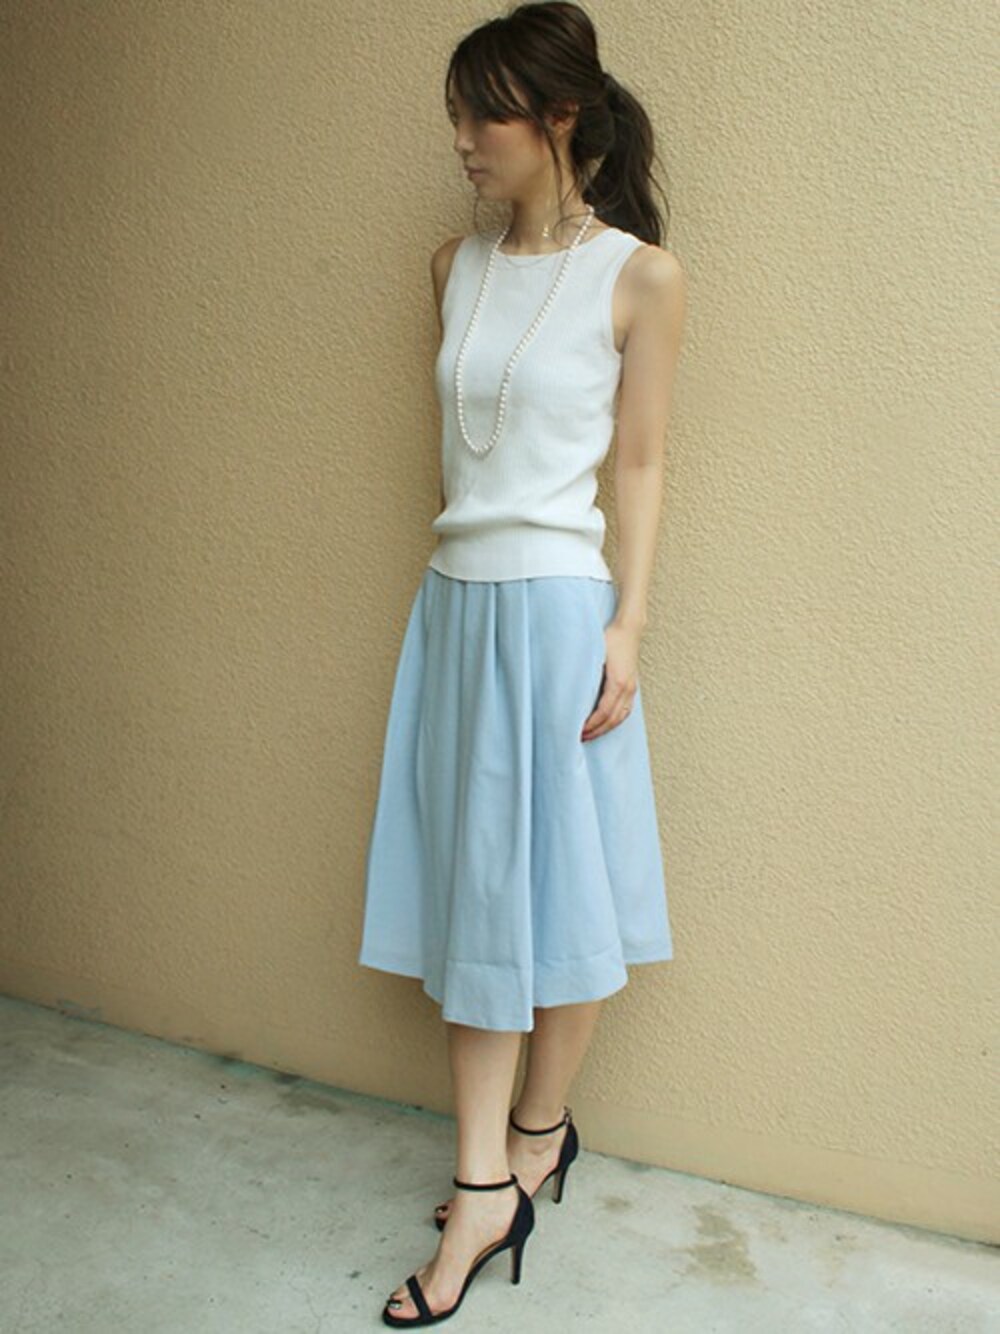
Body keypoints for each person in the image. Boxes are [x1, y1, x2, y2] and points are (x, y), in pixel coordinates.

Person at [358, 3, 686, 1325]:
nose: (459, 141)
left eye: (480, 114)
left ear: (557, 118)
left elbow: (641, 465)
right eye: (454, 114)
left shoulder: (639, 276)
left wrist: (627, 629)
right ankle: (500, 1167)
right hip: (456, 612)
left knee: (567, 888)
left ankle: (518, 1152)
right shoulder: (452, 266)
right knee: (482, 896)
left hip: (559, 618)